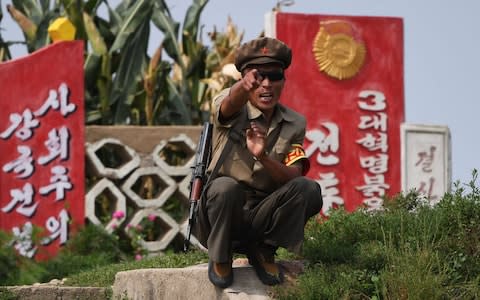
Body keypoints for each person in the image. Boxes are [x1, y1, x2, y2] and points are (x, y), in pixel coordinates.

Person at [194, 37, 323, 288]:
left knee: (308, 189)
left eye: (274, 76)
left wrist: (262, 156)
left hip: (261, 212)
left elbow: (294, 174)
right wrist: (242, 87)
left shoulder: (295, 123)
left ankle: (264, 249)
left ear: (283, 81)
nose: (266, 85)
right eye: (258, 77)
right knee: (226, 188)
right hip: (218, 211)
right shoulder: (230, 102)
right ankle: (220, 255)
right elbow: (228, 106)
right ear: (245, 78)